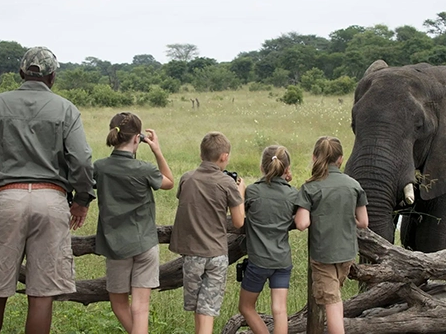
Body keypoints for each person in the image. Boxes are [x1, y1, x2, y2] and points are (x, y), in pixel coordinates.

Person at [0, 46, 95, 334]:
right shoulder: (66, 108)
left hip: (8, 198)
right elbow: (82, 161)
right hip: (52, 199)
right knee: (41, 293)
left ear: (22, 73)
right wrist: (83, 200)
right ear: (52, 77)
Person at [94, 112, 175, 334]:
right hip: (144, 242)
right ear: (137, 138)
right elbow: (169, 183)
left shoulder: (100, 167)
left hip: (115, 245)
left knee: (119, 304)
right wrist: (157, 150)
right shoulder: (144, 169)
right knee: (141, 308)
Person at [169, 131, 246, 334]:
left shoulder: (187, 178)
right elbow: (238, 222)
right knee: (207, 310)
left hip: (192, 254)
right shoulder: (227, 183)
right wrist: (240, 194)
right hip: (216, 254)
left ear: (201, 154)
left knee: (198, 309)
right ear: (224, 157)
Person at [293, 136, 368, 334]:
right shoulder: (354, 185)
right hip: (347, 254)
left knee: (332, 304)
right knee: (335, 298)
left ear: (315, 157)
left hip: (324, 254)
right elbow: (363, 222)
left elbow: (301, 224)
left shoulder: (310, 187)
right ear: (341, 159)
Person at [238, 145, 298, 334]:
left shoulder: (253, 192)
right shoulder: (292, 194)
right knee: (280, 310)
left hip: (259, 262)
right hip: (282, 261)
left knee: (246, 307)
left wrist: (240, 191)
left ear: (262, 167)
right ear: (286, 169)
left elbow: (239, 218)